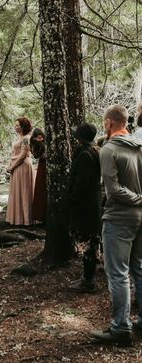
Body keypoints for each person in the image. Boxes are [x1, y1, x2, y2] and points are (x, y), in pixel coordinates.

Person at [91, 105, 142, 346]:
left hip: (119, 217)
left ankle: (121, 328)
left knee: (118, 273)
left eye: (104, 122)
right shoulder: (138, 146)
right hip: (140, 217)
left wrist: (138, 199)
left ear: (110, 123)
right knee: (139, 269)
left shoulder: (108, 149)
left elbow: (113, 189)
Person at [66, 123, 101, 293]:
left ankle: (89, 280)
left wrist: (71, 199)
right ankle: (88, 278)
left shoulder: (86, 155)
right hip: (90, 206)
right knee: (90, 243)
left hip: (86, 207)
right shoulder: (94, 151)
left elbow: (81, 183)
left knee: (88, 243)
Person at [6, 116, 34, 226]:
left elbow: (23, 155)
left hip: (23, 165)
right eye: (15, 125)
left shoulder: (27, 138)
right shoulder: (19, 138)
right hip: (16, 165)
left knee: (24, 191)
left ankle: (26, 219)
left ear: (23, 127)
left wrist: (12, 166)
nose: (15, 127)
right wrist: (10, 163)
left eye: (17, 125)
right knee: (17, 191)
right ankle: (17, 218)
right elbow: (14, 153)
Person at [30, 127, 47, 224]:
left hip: (46, 165)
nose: (40, 138)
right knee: (40, 189)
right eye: (38, 137)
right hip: (42, 165)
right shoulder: (34, 143)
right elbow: (36, 155)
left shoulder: (47, 141)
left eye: (41, 137)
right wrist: (38, 143)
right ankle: (40, 216)